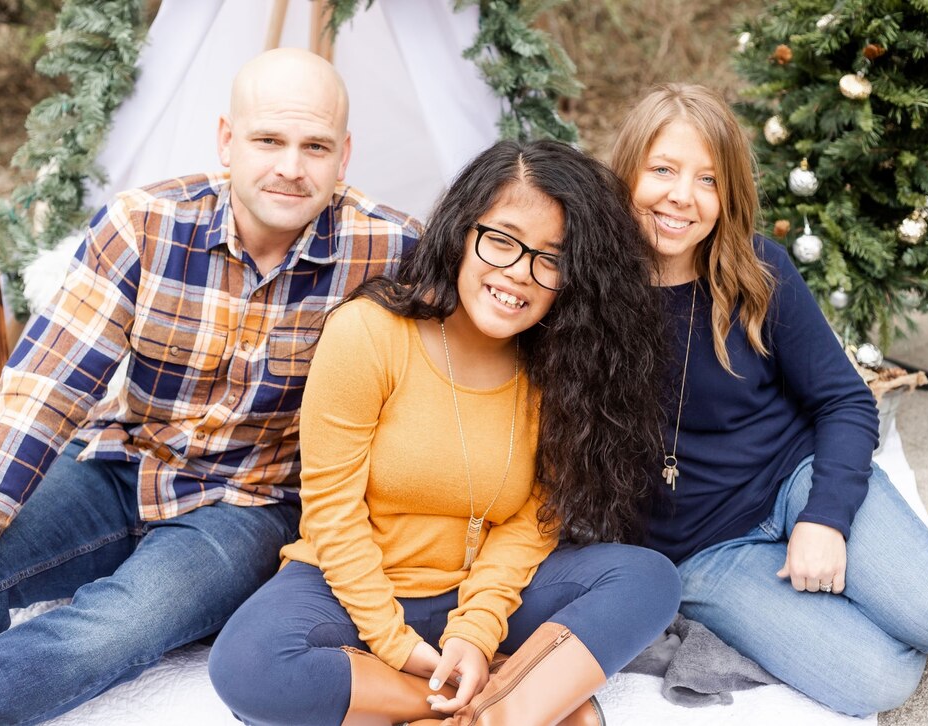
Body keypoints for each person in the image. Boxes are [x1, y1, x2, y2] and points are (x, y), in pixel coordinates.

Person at [0, 48, 421, 724]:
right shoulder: (144, 225)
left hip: (251, 504)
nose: (291, 166)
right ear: (228, 140)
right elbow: (42, 393)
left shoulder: (393, 252)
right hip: (121, 461)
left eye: (314, 146)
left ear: (344, 157)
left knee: (114, 630)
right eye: (268, 140)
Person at [207, 139, 682, 726]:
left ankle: (492, 709)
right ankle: (495, 703)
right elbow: (331, 511)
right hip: (351, 586)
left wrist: (478, 632)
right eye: (502, 241)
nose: (518, 274)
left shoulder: (561, 368)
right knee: (250, 665)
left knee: (647, 579)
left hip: (484, 590)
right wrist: (397, 646)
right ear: (462, 231)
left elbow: (534, 520)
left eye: (550, 259)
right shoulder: (369, 333)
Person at [607, 83, 928, 717]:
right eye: (662, 170)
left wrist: (826, 517)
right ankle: (890, 588)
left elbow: (846, 402)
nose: (681, 197)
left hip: (794, 480)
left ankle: (909, 581)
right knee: (878, 681)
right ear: (626, 172)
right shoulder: (588, 297)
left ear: (728, 196)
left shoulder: (758, 273)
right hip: (702, 552)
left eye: (708, 181)